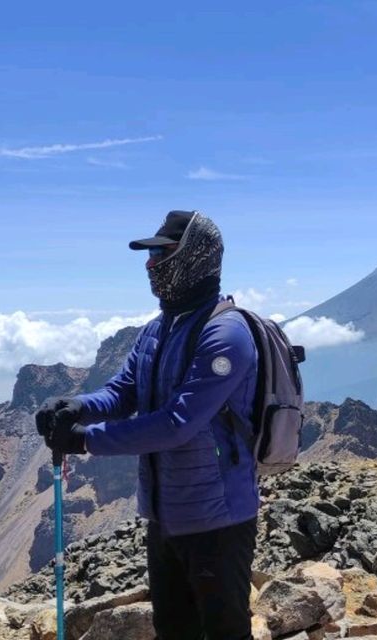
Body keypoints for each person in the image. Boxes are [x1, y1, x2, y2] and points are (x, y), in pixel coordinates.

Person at [35, 210, 260, 640]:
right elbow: (123, 391)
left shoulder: (226, 334)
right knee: (173, 629)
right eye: (151, 254)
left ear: (198, 256)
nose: (151, 265)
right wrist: (76, 406)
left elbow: (178, 423)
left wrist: (85, 441)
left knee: (225, 632)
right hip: (166, 515)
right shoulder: (157, 330)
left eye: (162, 253)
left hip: (218, 518)